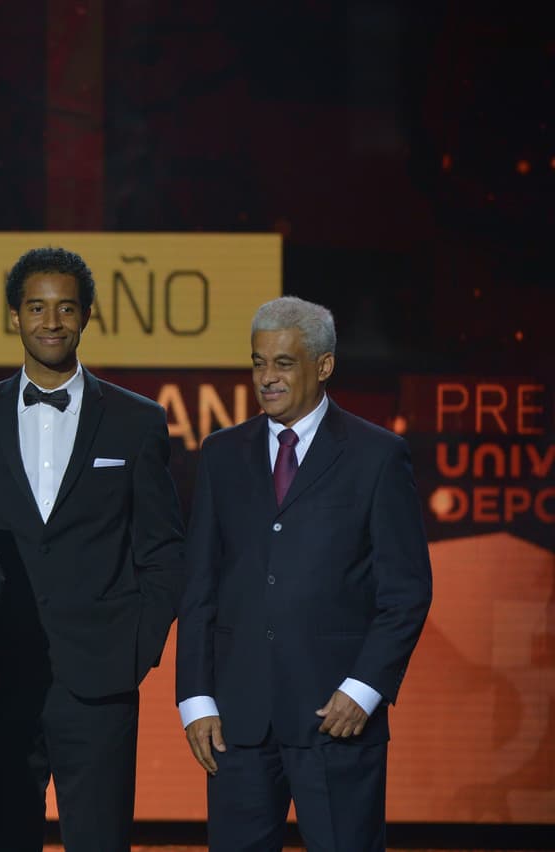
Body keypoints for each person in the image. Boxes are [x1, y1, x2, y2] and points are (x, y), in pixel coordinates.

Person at [0, 246, 187, 851]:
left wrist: (136, 650)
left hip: (99, 683)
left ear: (87, 316)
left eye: (65, 308)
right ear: (14, 316)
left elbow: (163, 550)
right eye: (36, 307)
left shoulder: (137, 421)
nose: (51, 322)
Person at [174, 295, 433, 851]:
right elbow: (199, 585)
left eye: (283, 364)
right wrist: (195, 699)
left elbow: (406, 593)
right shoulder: (221, 453)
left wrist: (364, 691)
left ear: (323, 366)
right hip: (237, 723)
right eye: (258, 362)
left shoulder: (377, 456)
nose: (266, 378)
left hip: (336, 718)